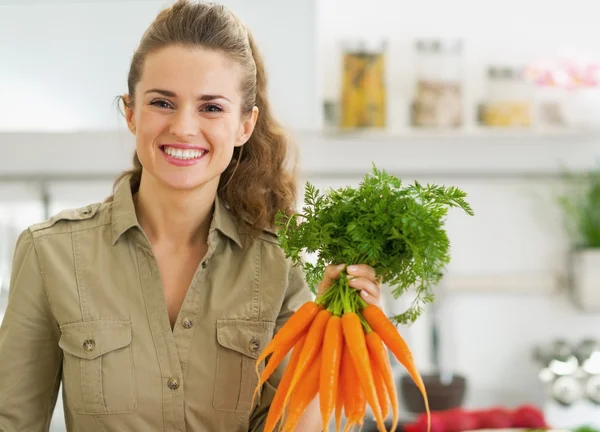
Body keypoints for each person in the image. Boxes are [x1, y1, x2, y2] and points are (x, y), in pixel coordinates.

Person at [0, 1, 382, 431]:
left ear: (245, 125)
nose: (183, 127)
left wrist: (334, 339)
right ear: (131, 112)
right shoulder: (51, 253)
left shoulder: (278, 264)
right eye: (162, 102)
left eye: (211, 107)